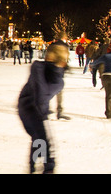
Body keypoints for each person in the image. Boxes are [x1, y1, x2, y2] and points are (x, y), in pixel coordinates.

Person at [18, 43, 69, 174]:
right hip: (28, 108)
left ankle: (35, 168)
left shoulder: (57, 80)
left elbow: (43, 93)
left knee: (39, 139)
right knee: (43, 139)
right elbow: (40, 92)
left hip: (36, 109)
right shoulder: (38, 68)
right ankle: (46, 169)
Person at [91, 43, 111, 120]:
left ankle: (108, 113)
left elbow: (94, 63)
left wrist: (92, 65)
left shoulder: (105, 56)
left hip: (105, 76)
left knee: (108, 95)